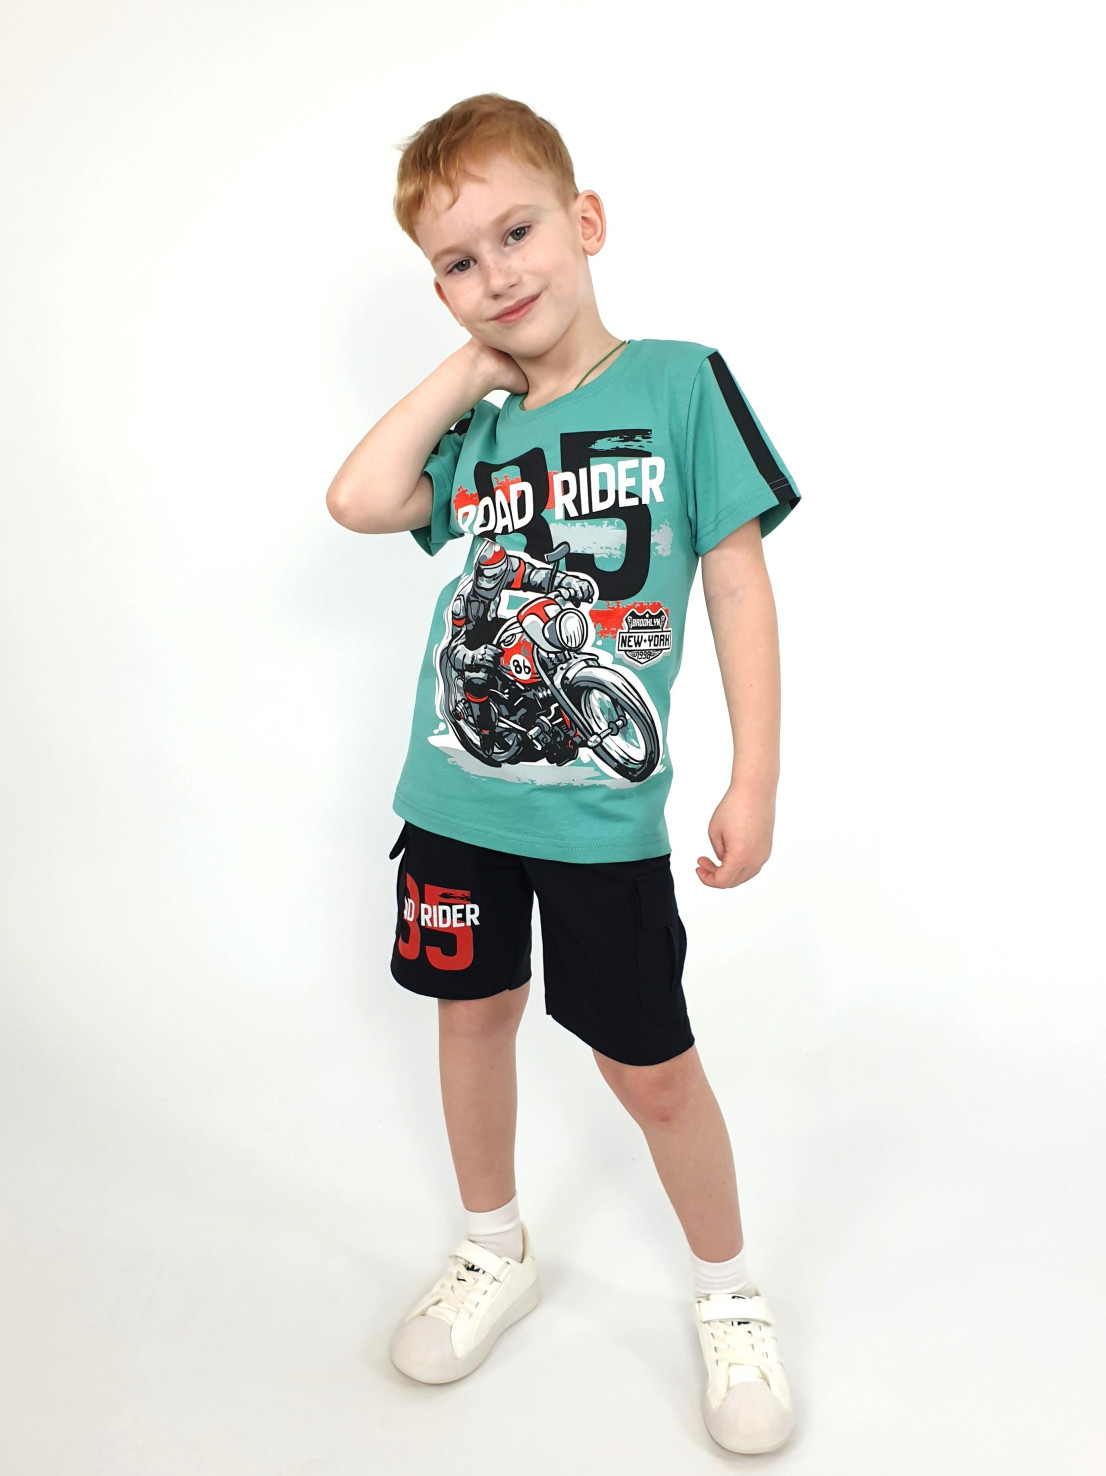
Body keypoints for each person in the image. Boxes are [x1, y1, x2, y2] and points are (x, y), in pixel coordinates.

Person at [326, 93, 802, 1456]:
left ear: (585, 222)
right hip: (455, 801)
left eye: (518, 232)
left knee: (650, 1069)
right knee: (471, 1014)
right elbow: (359, 500)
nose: (498, 272)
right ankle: (493, 1248)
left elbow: (735, 580)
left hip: (603, 822)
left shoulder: (679, 382)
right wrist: (463, 371)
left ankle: (727, 1292)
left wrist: (754, 777)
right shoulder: (475, 433)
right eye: (459, 261)